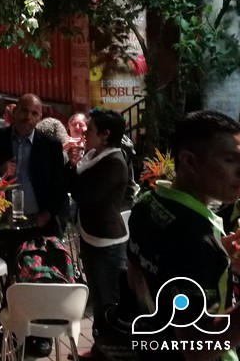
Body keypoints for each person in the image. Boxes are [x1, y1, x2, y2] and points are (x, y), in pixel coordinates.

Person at [127, 111, 240, 359]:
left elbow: (134, 278)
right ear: (189, 161)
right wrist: (204, 256)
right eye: (231, 160)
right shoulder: (196, 240)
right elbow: (196, 347)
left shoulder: (147, 203)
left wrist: (216, 256)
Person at [0, 92, 68, 358]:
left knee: (36, 276)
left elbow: (59, 186)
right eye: (24, 111)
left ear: (40, 117)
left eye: (34, 113)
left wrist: (48, 214)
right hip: (2, 219)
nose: (28, 117)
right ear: (14, 111)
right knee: (6, 273)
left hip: (37, 220)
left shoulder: (50, 145)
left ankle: (39, 333)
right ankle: (2, 323)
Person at [66, 109, 128, 346]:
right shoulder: (93, 155)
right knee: (97, 295)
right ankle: (100, 347)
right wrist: (72, 166)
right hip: (90, 234)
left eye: (89, 130)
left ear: (105, 135)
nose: (84, 133)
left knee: (109, 299)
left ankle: (112, 349)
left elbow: (83, 194)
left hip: (107, 241)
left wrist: (72, 169)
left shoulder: (114, 163)